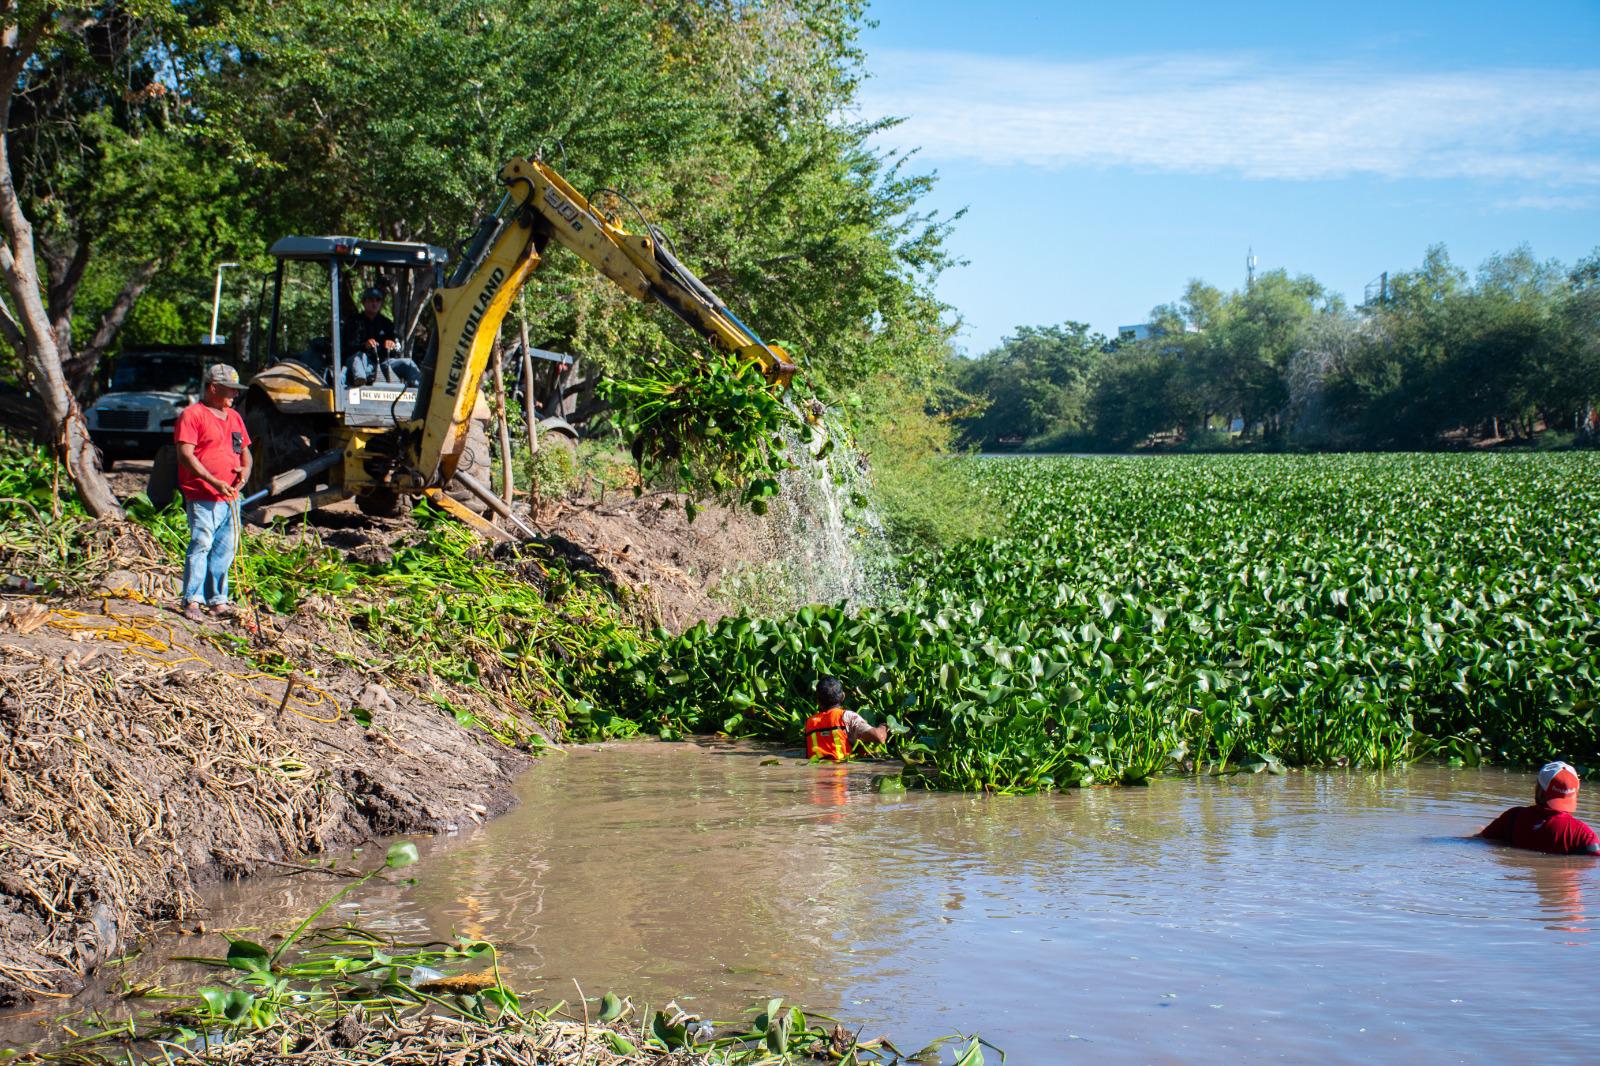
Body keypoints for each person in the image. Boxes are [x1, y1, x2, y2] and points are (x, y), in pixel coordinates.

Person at [174, 364, 252, 622]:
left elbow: (245, 452)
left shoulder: (234, 417)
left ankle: (217, 600)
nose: (234, 395)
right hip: (203, 494)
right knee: (201, 544)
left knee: (224, 549)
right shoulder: (192, 415)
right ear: (213, 387)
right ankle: (192, 600)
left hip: (230, 497)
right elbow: (186, 455)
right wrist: (213, 481)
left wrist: (245, 472)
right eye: (230, 389)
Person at [1478, 761, 1600, 855]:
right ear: (1575, 793)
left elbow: (1479, 840)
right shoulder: (1583, 835)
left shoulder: (1512, 817)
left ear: (1539, 789)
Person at [803, 676, 888, 761]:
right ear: (843, 696)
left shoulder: (809, 722)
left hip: (816, 771)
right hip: (841, 772)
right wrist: (883, 727)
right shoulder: (847, 716)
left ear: (818, 701)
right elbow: (879, 737)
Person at [344, 286, 397, 384]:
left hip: (383, 365)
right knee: (358, 357)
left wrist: (390, 345)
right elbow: (348, 348)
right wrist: (365, 345)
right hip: (361, 363)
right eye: (371, 300)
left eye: (378, 300)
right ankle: (361, 381)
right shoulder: (354, 322)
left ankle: (420, 387)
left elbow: (393, 352)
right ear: (364, 303)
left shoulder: (387, 323)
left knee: (407, 363)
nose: (375, 303)